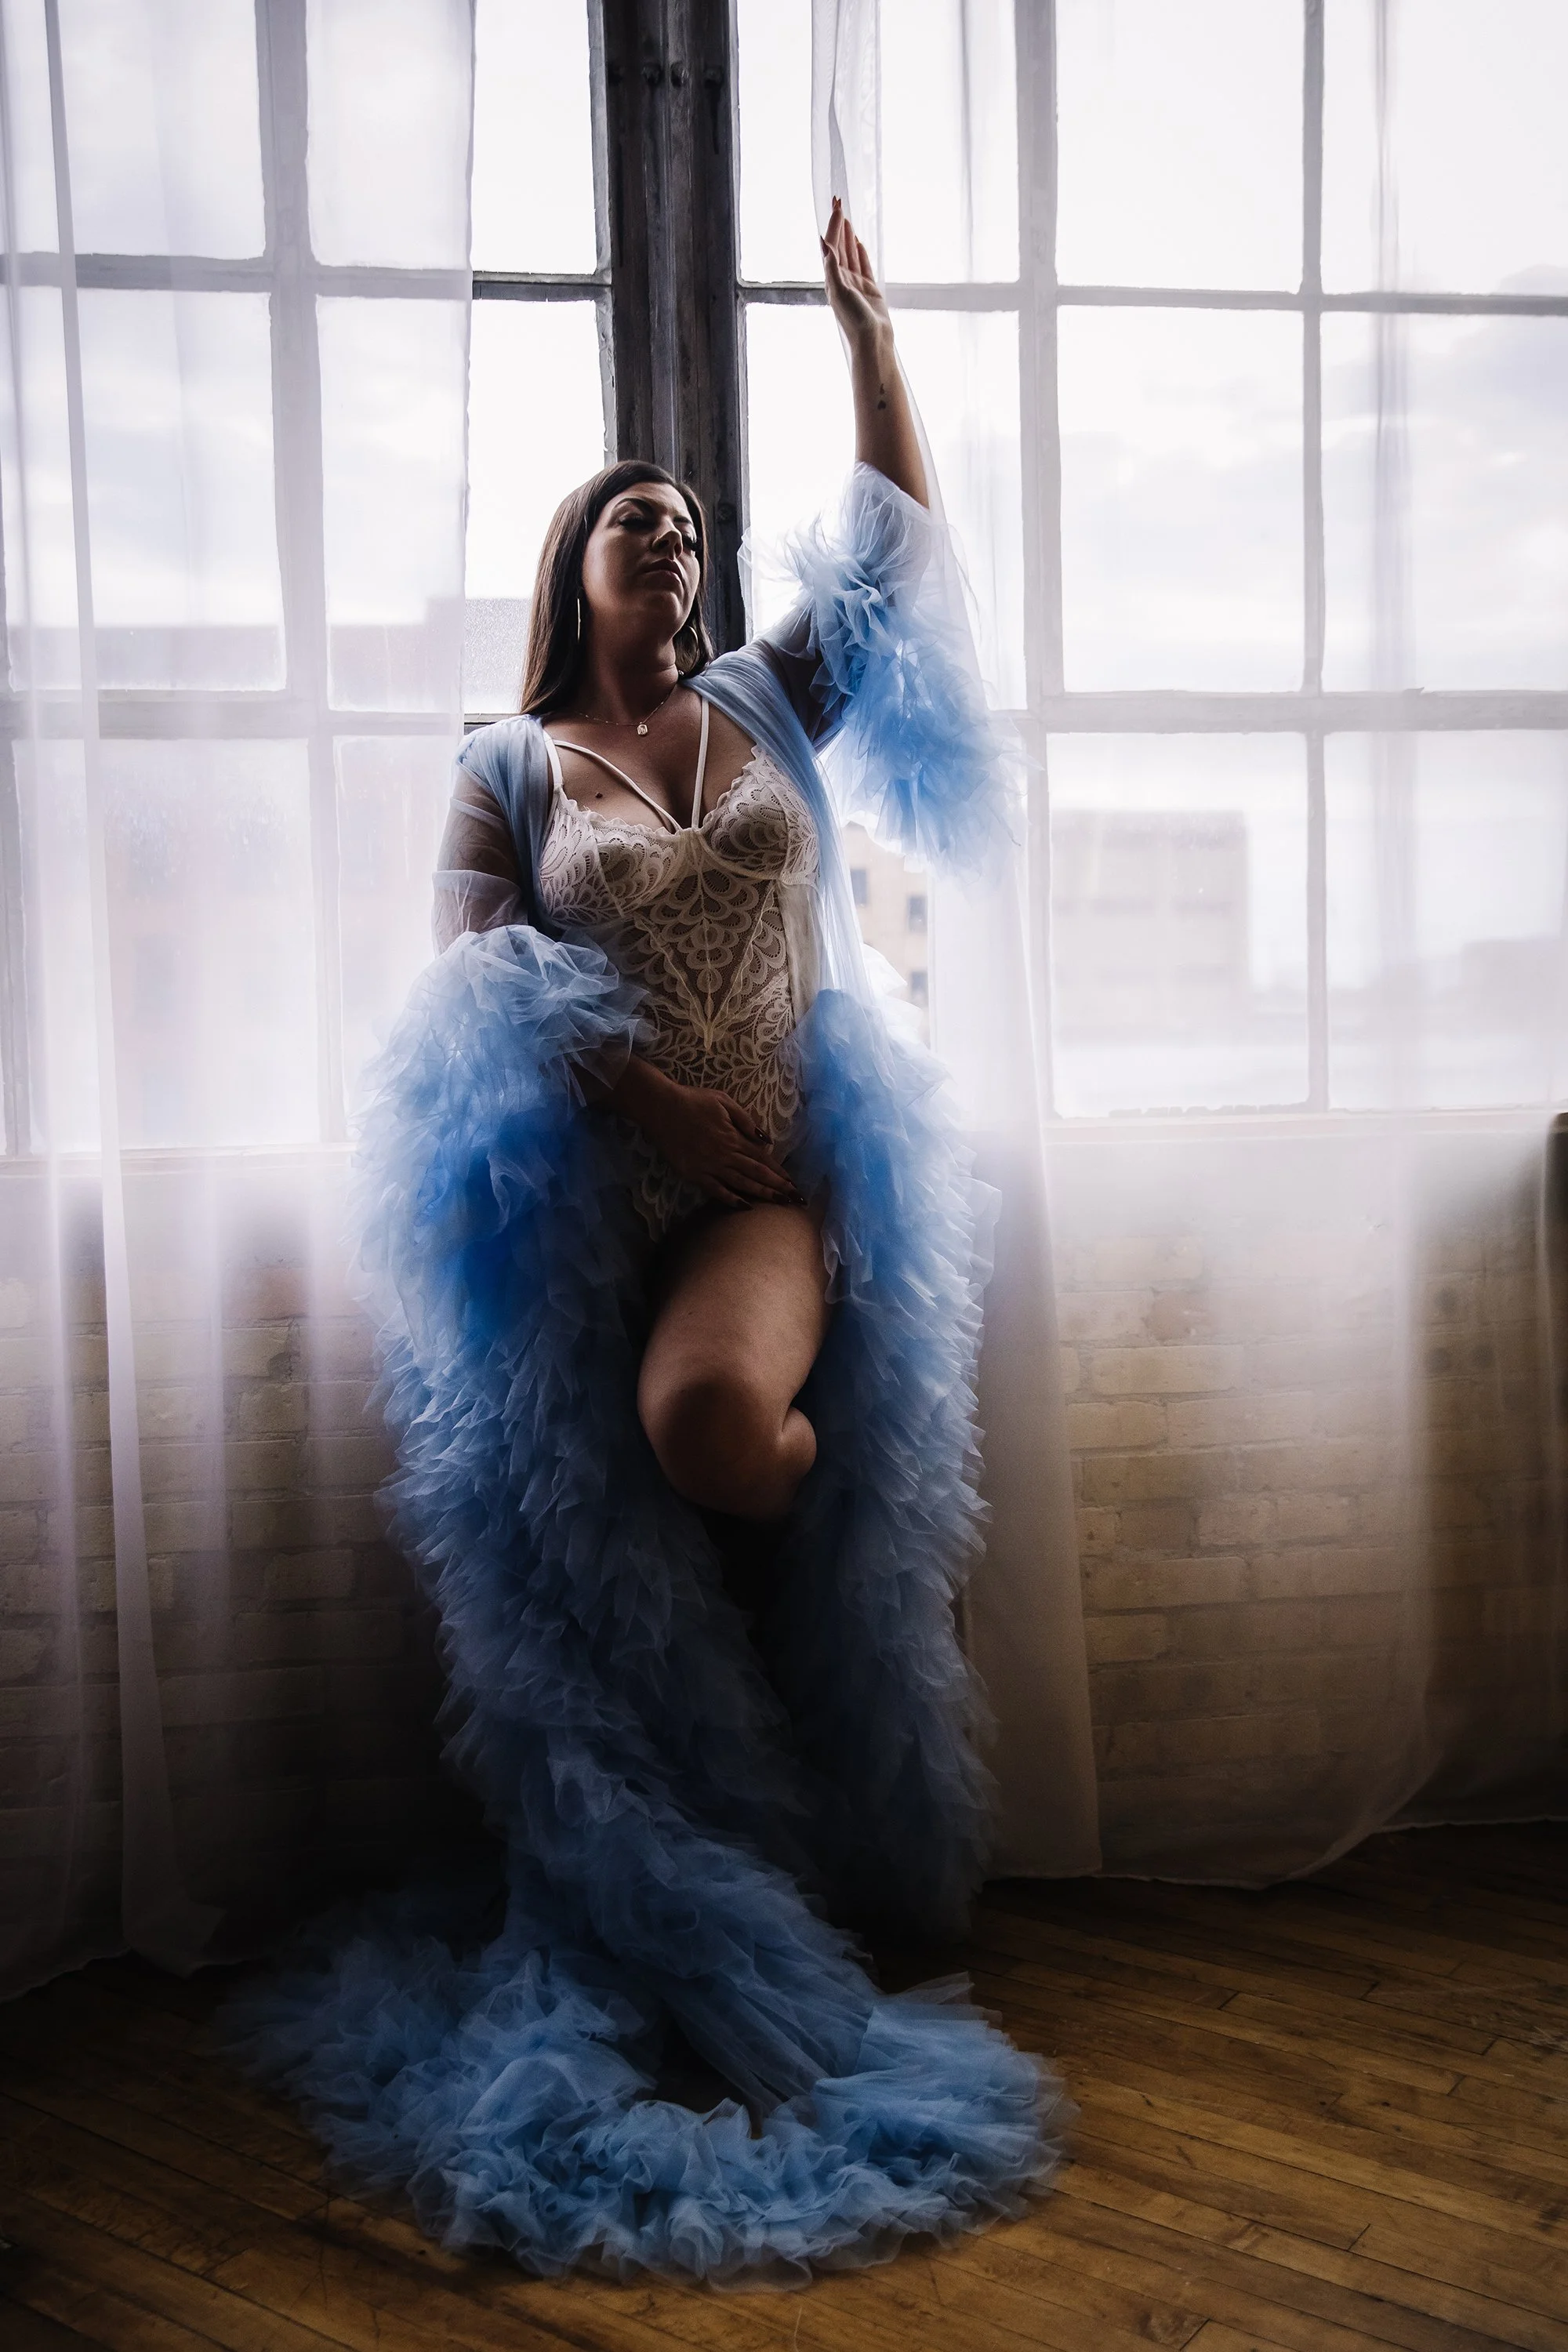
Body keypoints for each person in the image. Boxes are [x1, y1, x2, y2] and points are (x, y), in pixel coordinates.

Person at [232, 202, 1067, 2284]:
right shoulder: (507, 764)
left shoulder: (773, 711)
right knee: (603, 1555)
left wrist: (873, 330)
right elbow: (478, 983)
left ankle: (810, 1530)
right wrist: (645, 1099)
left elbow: (887, 549)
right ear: (576, 571)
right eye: (643, 529)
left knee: (718, 1434)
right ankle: (721, 1817)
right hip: (598, 1211)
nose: (678, 549)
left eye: (695, 528)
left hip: (772, 1195)